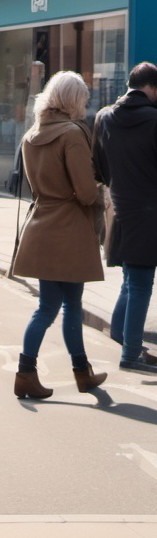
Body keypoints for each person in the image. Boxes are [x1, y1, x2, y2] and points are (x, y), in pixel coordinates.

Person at [11, 70, 107, 399]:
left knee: (48, 307)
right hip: (69, 230)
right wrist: (98, 191)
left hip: (40, 226)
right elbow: (85, 192)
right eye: (83, 96)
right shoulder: (71, 135)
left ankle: (29, 372)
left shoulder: (32, 135)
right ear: (72, 100)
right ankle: (79, 373)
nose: (86, 102)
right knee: (70, 307)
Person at [92, 62, 157, 371]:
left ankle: (120, 333)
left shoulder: (104, 118)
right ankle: (131, 354)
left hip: (118, 209)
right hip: (149, 212)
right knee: (142, 281)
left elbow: (98, 168)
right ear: (152, 89)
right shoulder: (154, 120)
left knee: (132, 278)